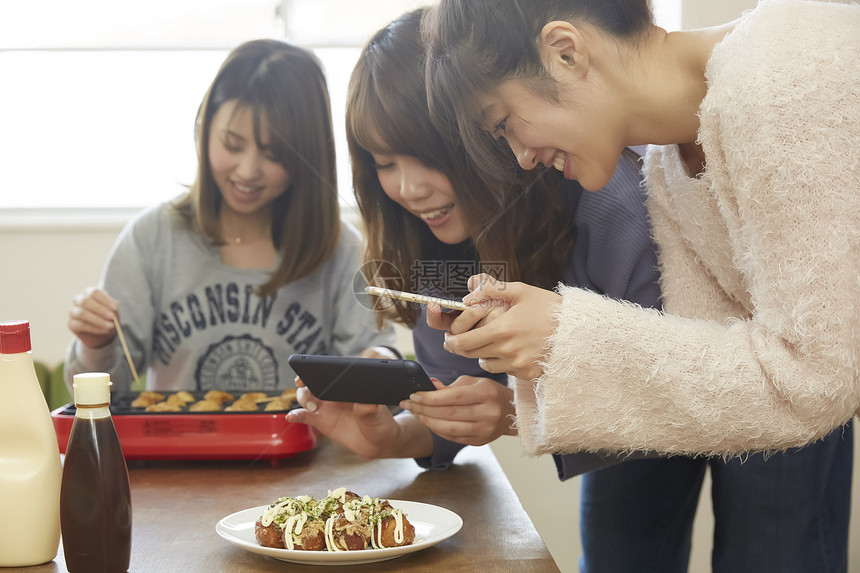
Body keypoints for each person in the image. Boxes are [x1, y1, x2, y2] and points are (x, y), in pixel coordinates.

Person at [285, 10, 849, 572]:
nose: (407, 187)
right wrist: (400, 431)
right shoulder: (661, 166)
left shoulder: (623, 182)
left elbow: (789, 375)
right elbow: (456, 395)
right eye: (384, 163)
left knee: (774, 545)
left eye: (499, 125)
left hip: (746, 378)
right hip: (686, 383)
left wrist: (540, 370)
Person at [65, 39, 395, 394]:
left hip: (308, 450)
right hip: (176, 449)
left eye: (274, 154)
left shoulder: (341, 250)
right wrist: (95, 344)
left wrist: (379, 364)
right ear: (204, 129)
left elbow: (375, 373)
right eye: (232, 145)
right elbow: (98, 393)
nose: (248, 171)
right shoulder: (152, 237)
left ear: (308, 157)